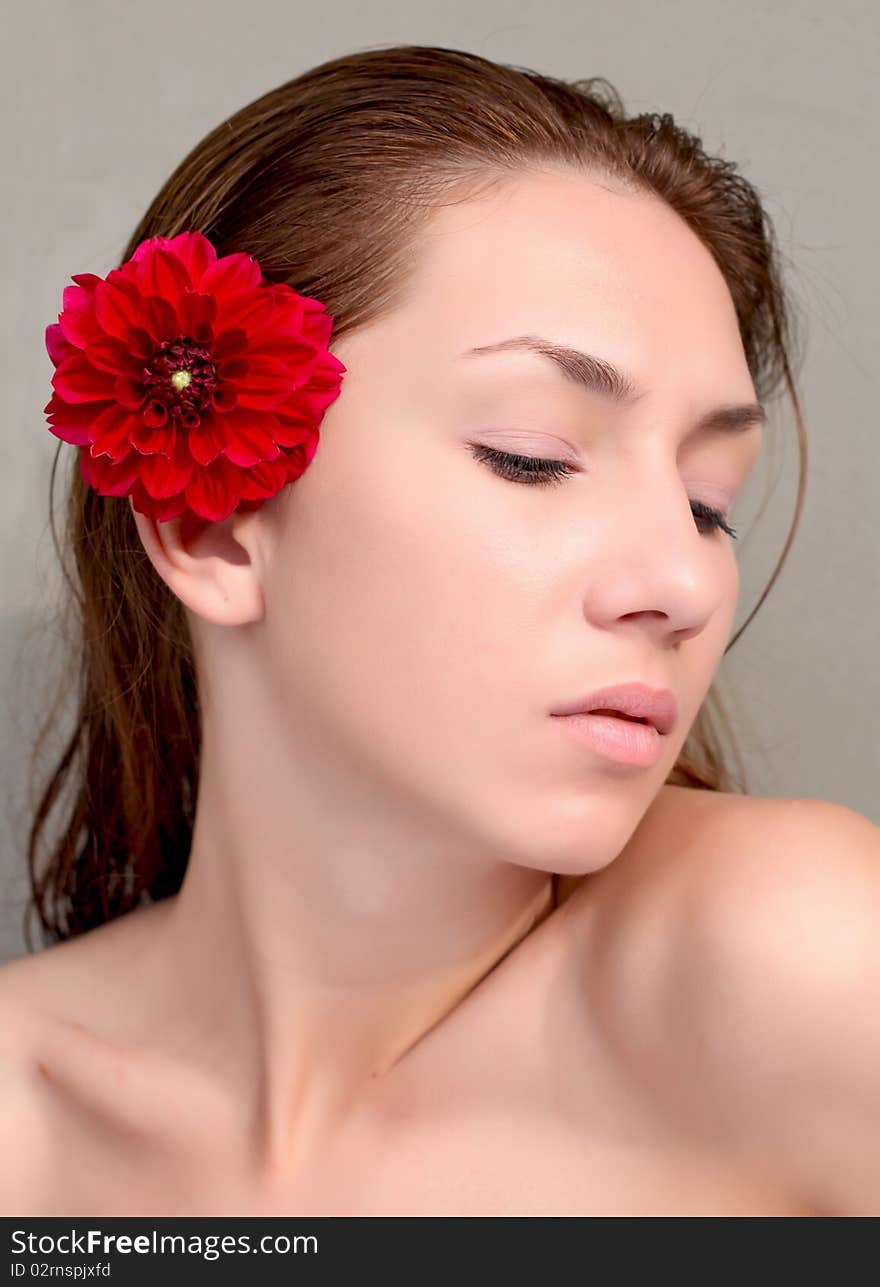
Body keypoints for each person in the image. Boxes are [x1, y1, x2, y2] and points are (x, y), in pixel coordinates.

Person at [2, 44, 878, 1218]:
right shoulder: (25, 1130)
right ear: (211, 528)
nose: (683, 579)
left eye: (708, 502)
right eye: (533, 455)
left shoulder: (791, 966)